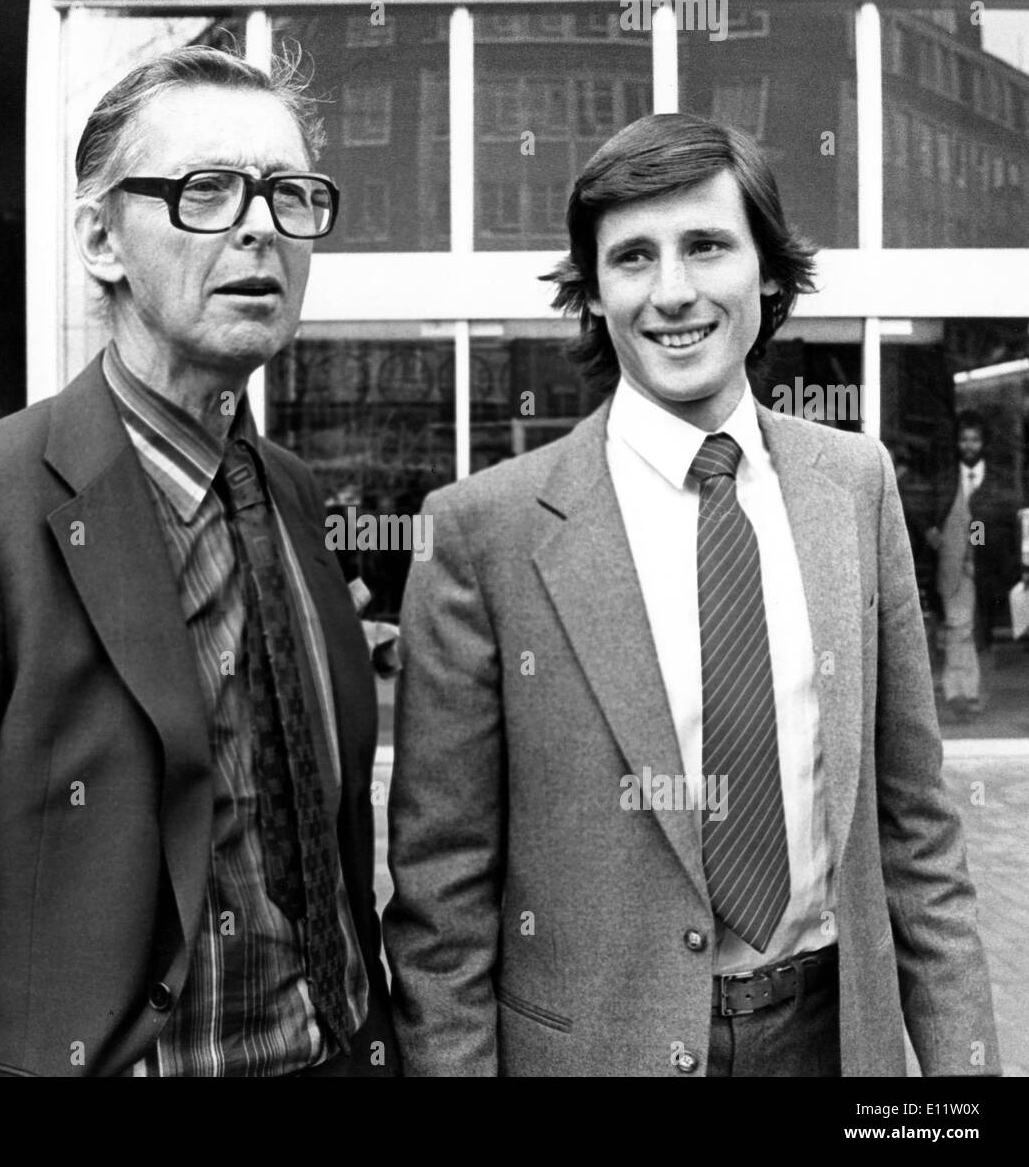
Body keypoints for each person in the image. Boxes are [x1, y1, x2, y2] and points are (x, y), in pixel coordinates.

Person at [0, 46, 397, 1077]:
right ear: (101, 239)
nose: (261, 225)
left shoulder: (290, 494)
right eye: (208, 191)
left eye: (289, 193)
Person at [384, 113, 999, 1077]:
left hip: (835, 1042)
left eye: (706, 245)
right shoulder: (482, 531)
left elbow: (917, 832)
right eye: (632, 257)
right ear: (594, 291)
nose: (672, 292)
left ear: (766, 270)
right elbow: (442, 905)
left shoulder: (856, 485)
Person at [925, 411, 1020, 718]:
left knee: (979, 631)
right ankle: (959, 691)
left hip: (987, 570)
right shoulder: (946, 478)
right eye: (964, 439)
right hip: (952, 567)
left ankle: (971, 690)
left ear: (983, 443)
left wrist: (976, 550)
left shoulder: (996, 482)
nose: (968, 445)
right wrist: (931, 532)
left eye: (974, 439)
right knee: (959, 627)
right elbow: (927, 512)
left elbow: (984, 526)